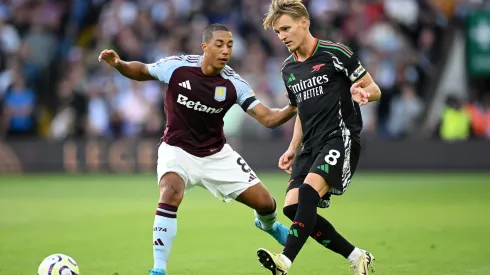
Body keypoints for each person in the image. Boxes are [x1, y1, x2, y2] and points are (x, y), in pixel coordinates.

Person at [98, 23, 297, 275]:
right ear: (205, 47)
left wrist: (292, 108)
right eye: (219, 44)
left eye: (230, 45)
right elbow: (142, 71)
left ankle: (268, 226)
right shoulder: (178, 68)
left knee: (266, 203)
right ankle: (159, 269)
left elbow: (267, 118)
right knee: (170, 191)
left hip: (216, 155)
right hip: (176, 149)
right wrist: (119, 64)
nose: (226, 50)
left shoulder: (234, 84)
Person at [256, 1, 382, 275]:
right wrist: (292, 147)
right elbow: (301, 110)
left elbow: (375, 89)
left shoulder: (336, 53)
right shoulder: (288, 69)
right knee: (292, 208)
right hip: (310, 146)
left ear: (304, 22)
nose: (282, 36)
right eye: (278, 32)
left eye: (286, 28)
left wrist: (363, 94)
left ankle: (284, 261)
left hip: (340, 137)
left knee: (308, 193)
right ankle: (357, 256)